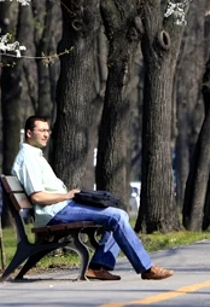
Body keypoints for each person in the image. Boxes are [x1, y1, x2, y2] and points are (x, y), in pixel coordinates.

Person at [11, 115, 174, 281]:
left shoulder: (34, 155)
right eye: (42, 131)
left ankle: (97, 267)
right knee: (116, 216)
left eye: (47, 130)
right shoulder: (27, 159)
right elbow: (37, 196)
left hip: (61, 207)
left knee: (119, 214)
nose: (46, 134)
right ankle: (146, 268)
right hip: (54, 212)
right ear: (29, 133)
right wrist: (66, 195)